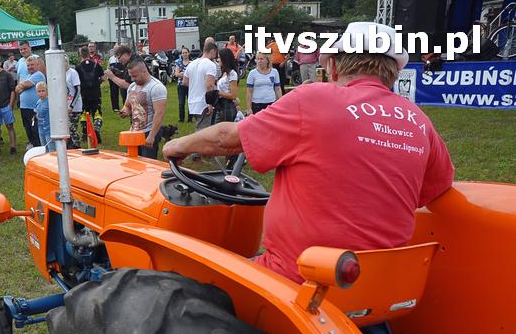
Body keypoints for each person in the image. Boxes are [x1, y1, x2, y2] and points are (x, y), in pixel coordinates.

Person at [163, 22, 454, 285]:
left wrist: (176, 146)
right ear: (393, 71)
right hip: (379, 286)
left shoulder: (314, 99)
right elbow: (434, 188)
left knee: (194, 285)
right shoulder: (418, 120)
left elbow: (227, 140)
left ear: (335, 66)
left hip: (299, 282)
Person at [120, 58, 167, 159]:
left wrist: (152, 136)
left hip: (148, 131)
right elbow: (128, 105)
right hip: (134, 132)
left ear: (144, 71)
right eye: (131, 76)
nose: (132, 79)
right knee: (132, 162)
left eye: (135, 76)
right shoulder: (132, 86)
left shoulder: (156, 87)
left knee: (148, 164)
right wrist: (124, 111)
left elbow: (159, 113)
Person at [183, 41, 218, 129]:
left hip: (192, 102)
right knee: (204, 133)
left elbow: (185, 81)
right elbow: (210, 85)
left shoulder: (191, 64)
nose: (215, 56)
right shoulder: (211, 65)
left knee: (199, 127)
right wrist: (210, 103)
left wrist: (195, 85)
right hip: (204, 103)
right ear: (212, 51)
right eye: (215, 53)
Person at [16, 54, 45, 148]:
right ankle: (33, 146)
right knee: (28, 129)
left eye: (32, 65)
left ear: (37, 65)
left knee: (35, 130)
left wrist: (22, 85)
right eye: (28, 65)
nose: (30, 67)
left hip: (34, 108)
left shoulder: (38, 75)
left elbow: (25, 85)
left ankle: (39, 148)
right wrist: (22, 85)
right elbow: (17, 89)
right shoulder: (28, 76)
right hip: (24, 107)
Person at [213, 48, 240, 125]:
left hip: (227, 106)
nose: (218, 60)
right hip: (220, 106)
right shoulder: (223, 72)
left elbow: (233, 95)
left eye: (219, 57)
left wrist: (218, 93)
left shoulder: (232, 74)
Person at [76, 46, 104, 117]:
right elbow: (103, 77)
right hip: (96, 93)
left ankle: (85, 127)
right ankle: (97, 126)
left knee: (85, 113)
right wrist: (97, 82)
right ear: (89, 53)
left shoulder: (78, 67)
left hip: (84, 93)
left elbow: (76, 81)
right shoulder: (96, 65)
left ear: (81, 55)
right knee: (97, 112)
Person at [172, 47, 191, 122]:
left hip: (190, 85)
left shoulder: (191, 63)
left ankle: (190, 118)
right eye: (183, 53)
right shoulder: (178, 63)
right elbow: (176, 74)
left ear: (188, 53)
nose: (184, 54)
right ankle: (181, 119)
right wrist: (186, 73)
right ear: (181, 54)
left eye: (186, 52)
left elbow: (192, 75)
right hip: (181, 85)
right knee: (181, 103)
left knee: (190, 102)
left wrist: (182, 73)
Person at [35, 81, 52, 151]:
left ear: (47, 91)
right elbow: (37, 112)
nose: (41, 93)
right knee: (44, 148)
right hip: (41, 128)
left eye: (43, 91)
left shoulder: (49, 101)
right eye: (39, 91)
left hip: (49, 129)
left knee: (51, 148)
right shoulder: (38, 102)